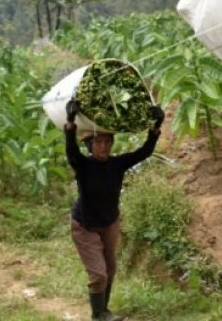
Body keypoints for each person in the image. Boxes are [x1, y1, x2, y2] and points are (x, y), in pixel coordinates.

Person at [64, 99, 165, 321]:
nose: (104, 146)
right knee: (98, 273)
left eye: (107, 142)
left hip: (109, 222)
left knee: (110, 269)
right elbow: (71, 151)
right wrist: (70, 121)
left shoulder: (117, 164)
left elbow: (144, 152)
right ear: (90, 146)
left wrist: (155, 127)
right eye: (98, 142)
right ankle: (99, 314)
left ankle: (104, 312)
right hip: (85, 225)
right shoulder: (83, 165)